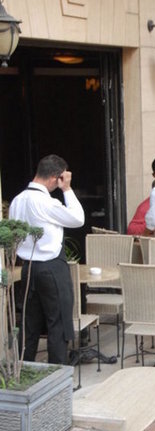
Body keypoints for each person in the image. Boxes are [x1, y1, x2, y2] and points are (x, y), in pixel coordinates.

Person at [9, 154, 85, 364]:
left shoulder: (17, 201)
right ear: (55, 177)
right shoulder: (46, 202)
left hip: (28, 268)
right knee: (58, 324)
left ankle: (23, 371)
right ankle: (57, 375)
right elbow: (78, 219)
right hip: (51, 267)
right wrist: (67, 189)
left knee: (29, 325)